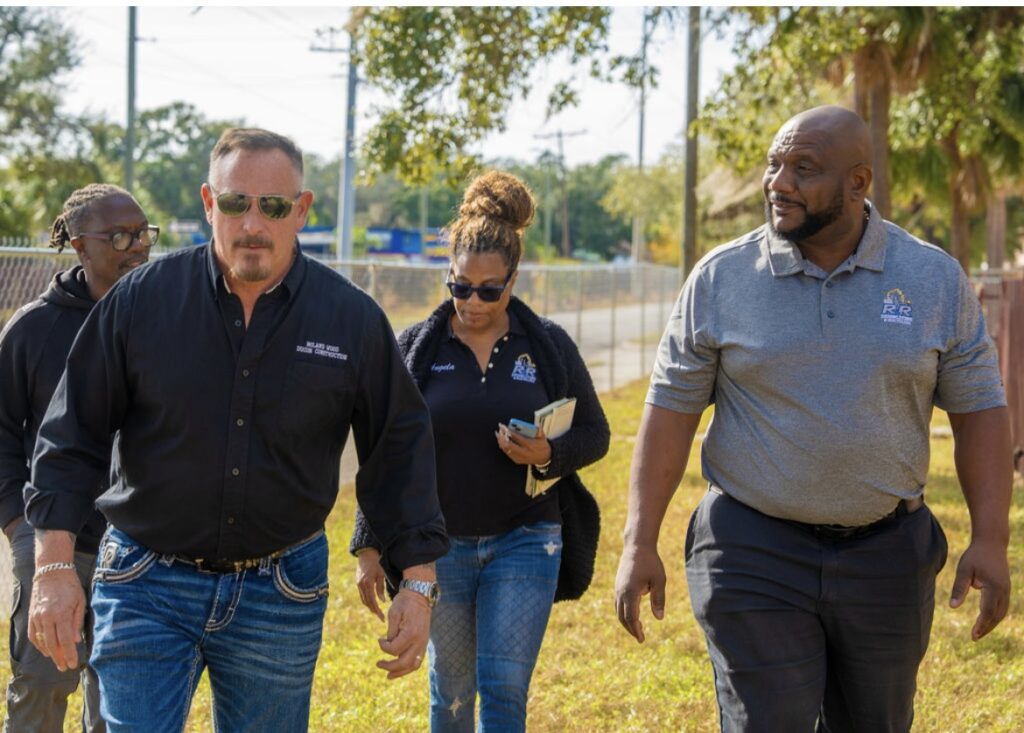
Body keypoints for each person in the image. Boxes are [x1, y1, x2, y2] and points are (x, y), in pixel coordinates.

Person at [24, 128, 448, 733]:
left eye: (273, 206)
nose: (253, 224)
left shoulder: (350, 319)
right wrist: (53, 568)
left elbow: (399, 447)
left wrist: (419, 580)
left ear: (301, 210)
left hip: (281, 593)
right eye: (234, 203)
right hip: (144, 582)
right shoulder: (140, 302)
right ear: (208, 203)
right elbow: (71, 435)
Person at [614, 106, 1012, 733]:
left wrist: (990, 538)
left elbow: (980, 409)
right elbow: (669, 412)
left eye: (803, 168)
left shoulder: (931, 278)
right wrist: (639, 542)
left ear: (858, 182)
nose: (779, 182)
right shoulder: (721, 278)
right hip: (752, 547)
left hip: (888, 553)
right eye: (775, 164)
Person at [350, 171, 609, 732]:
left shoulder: (548, 346)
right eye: (460, 286)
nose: (472, 301)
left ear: (513, 279)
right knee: (450, 692)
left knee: (503, 688)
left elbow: (596, 433)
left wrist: (546, 454)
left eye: (490, 290)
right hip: (439, 547)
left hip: (527, 539)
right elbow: (384, 448)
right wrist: (368, 543)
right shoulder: (417, 348)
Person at [0, 183, 154, 733]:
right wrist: (21, 526)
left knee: (117, 695)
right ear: (79, 245)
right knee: (43, 684)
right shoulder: (34, 329)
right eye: (120, 237)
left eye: (143, 233)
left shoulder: (164, 318)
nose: (138, 246)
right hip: (51, 539)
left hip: (139, 545)